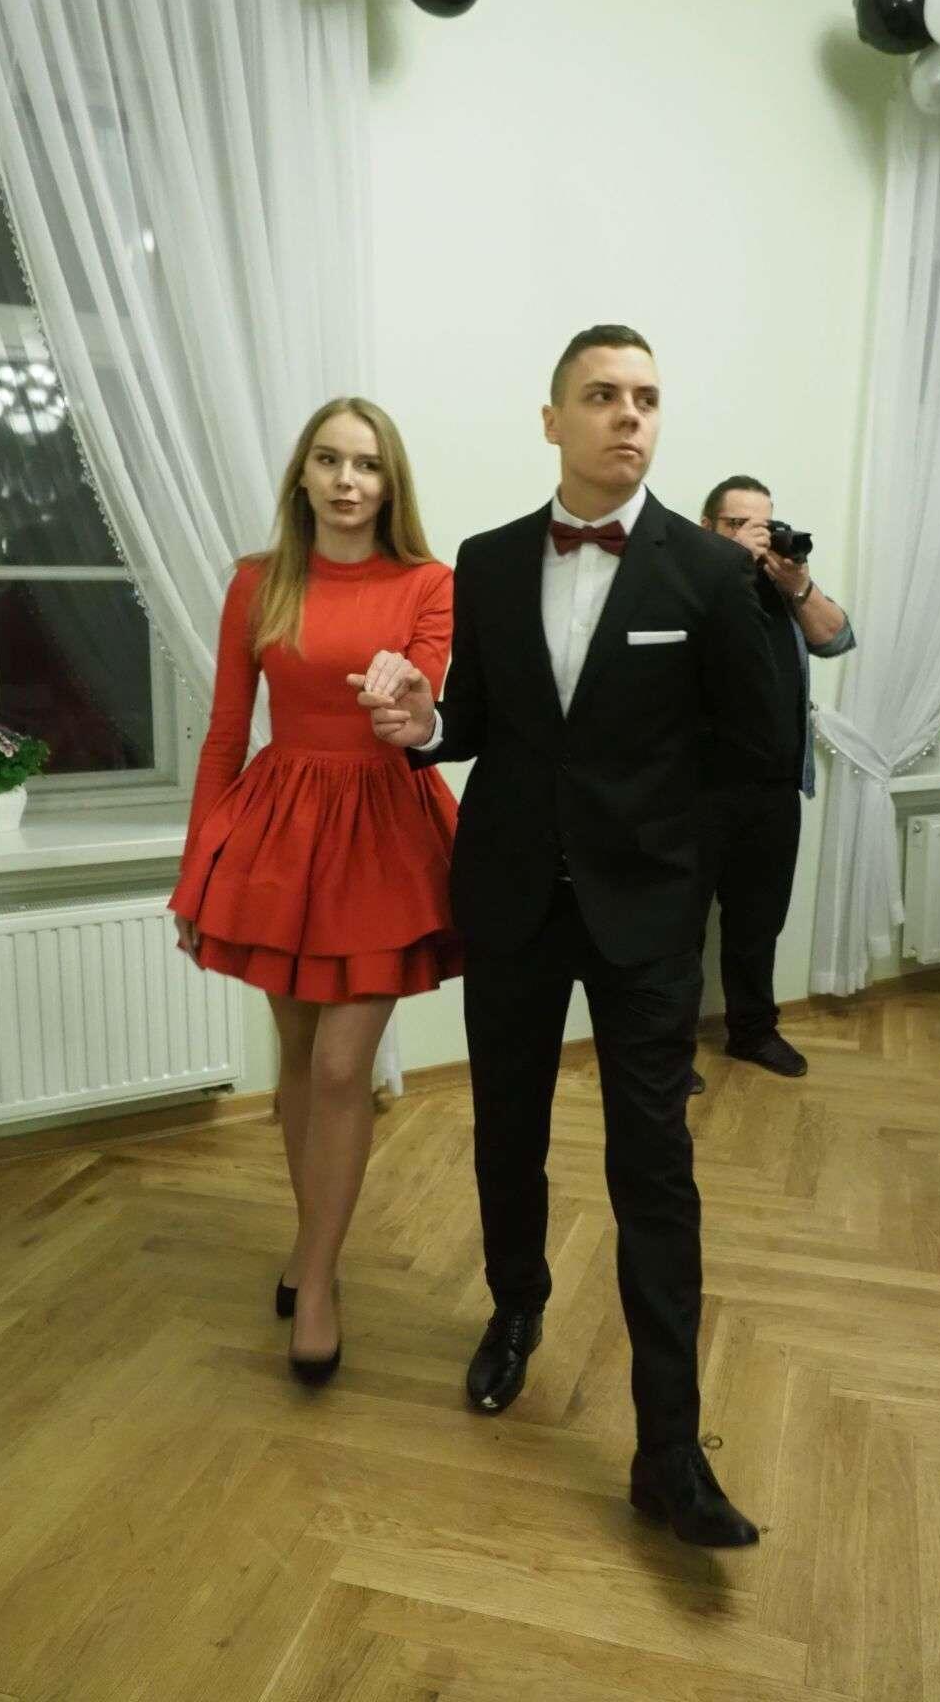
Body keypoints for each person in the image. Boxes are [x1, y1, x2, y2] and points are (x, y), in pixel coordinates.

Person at [352, 326, 781, 1549]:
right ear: (553, 420)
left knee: (655, 1170)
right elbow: (477, 719)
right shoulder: (488, 561)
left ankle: (669, 1452)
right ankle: (515, 1309)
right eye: (601, 395)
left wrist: (677, 871)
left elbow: (755, 753)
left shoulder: (712, 573)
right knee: (508, 1129)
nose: (628, 415)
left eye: (645, 396)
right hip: (511, 899)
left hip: (646, 917)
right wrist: (426, 728)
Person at [171, 398, 460, 1384]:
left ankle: (323, 1280)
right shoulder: (258, 583)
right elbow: (224, 734)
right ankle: (309, 1239)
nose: (347, 480)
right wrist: (197, 869)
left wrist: (407, 700)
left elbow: (425, 696)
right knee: (297, 1056)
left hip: (383, 834)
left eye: (367, 464)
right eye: (329, 460)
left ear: (390, 481)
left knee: (343, 1067)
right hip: (281, 834)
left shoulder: (429, 582)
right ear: (302, 473)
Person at [696, 477, 855, 1082]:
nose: (754, 537)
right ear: (707, 528)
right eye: (737, 524)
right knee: (679, 931)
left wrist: (799, 585)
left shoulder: (782, 587)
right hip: (696, 792)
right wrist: (728, 564)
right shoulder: (685, 580)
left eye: (762, 525)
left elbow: (837, 638)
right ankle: (666, 1052)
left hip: (773, 789)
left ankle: (753, 1032)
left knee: (758, 922)